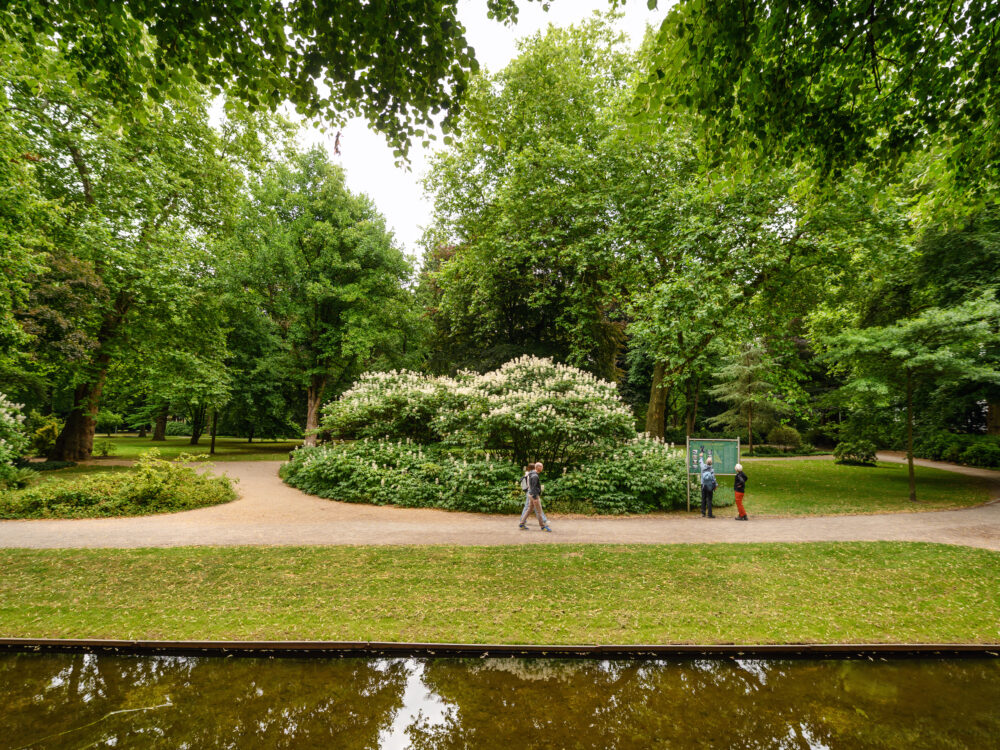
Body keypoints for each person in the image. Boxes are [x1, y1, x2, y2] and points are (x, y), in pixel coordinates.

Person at [519, 461, 551, 532]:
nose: (542, 468)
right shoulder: (535, 476)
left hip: (530, 494)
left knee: (529, 509)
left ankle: (521, 524)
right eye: (542, 467)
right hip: (534, 495)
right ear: (538, 467)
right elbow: (533, 488)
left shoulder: (531, 474)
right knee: (539, 511)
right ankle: (543, 526)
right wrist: (535, 497)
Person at [698, 448, 717, 518]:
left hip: (703, 485)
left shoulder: (703, 467)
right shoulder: (711, 469)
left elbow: (700, 461)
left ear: (706, 462)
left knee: (703, 498)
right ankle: (710, 514)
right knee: (709, 499)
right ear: (711, 463)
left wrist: (701, 456)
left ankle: (703, 513)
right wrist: (715, 485)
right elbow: (713, 479)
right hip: (709, 486)